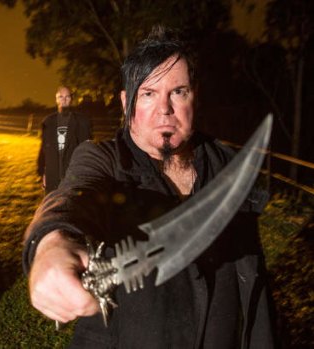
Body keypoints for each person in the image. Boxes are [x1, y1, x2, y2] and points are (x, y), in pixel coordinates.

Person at [23, 26, 275, 348]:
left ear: (194, 96)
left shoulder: (229, 167)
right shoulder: (104, 160)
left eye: (178, 92)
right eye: (149, 93)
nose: (165, 108)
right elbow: (72, 196)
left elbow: (253, 283)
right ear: (127, 102)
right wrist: (50, 244)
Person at [37, 86, 92, 193]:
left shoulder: (82, 121)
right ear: (56, 99)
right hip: (52, 173)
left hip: (73, 174)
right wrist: (42, 173)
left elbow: (87, 150)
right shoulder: (48, 121)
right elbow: (43, 149)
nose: (64, 99)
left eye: (67, 97)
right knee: (53, 206)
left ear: (71, 99)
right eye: (61, 97)